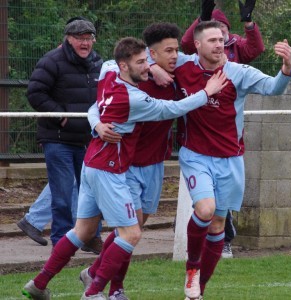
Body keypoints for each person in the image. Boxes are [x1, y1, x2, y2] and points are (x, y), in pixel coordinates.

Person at [22, 36, 227, 300]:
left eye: (147, 62)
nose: (147, 66)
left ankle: (38, 284)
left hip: (94, 163)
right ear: (124, 66)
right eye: (142, 62)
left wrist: (96, 123)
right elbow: (174, 109)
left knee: (83, 230)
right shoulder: (134, 98)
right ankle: (95, 292)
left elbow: (96, 102)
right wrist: (207, 92)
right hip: (110, 168)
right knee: (131, 234)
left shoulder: (109, 77)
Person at [150, 20, 291, 299]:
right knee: (205, 209)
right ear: (198, 45)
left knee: (217, 225)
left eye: (222, 40)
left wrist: (287, 68)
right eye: (213, 40)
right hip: (195, 155)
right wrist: (154, 67)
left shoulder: (237, 72)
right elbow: (140, 54)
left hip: (230, 159)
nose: (219, 45)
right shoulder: (182, 64)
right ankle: (192, 268)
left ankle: (197, 292)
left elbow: (274, 88)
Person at [81, 22, 183, 299]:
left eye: (177, 50)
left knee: (135, 229)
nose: (175, 56)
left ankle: (94, 272)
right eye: (168, 51)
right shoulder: (129, 73)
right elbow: (97, 104)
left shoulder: (181, 75)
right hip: (126, 164)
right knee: (129, 230)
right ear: (151, 54)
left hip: (155, 163)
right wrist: (97, 125)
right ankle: (111, 289)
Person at [175, 0, 265, 259]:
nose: (220, 37)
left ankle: (223, 239)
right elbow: (185, 44)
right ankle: (195, 258)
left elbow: (256, 48)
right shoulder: (193, 55)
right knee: (205, 206)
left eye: (223, 30)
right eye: (213, 31)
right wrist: (201, 18)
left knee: (218, 210)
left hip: (228, 145)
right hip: (197, 145)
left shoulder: (236, 47)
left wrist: (249, 23)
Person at [26, 18, 103, 248]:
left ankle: (91, 238)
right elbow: (35, 93)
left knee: (92, 193)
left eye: (89, 38)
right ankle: (61, 240)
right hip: (57, 139)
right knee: (61, 195)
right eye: (80, 38)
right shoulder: (51, 61)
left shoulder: (99, 63)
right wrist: (60, 115)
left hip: (89, 139)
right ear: (68, 39)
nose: (85, 43)